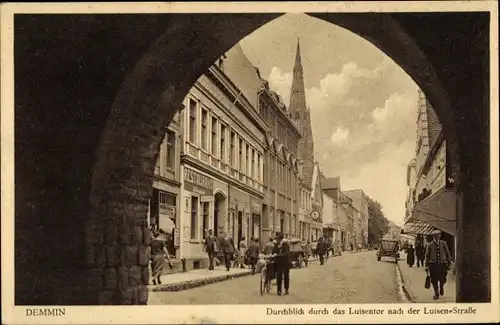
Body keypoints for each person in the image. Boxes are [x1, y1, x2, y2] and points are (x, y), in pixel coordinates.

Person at [425, 229, 452, 300]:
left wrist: (449, 263)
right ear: (433, 236)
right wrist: (426, 265)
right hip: (433, 265)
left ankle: (441, 287)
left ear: (440, 235)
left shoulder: (443, 243)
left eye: (438, 235)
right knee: (434, 280)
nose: (437, 236)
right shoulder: (430, 244)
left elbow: (447, 253)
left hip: (442, 264)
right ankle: (436, 294)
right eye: (435, 235)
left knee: (442, 279)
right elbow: (427, 255)